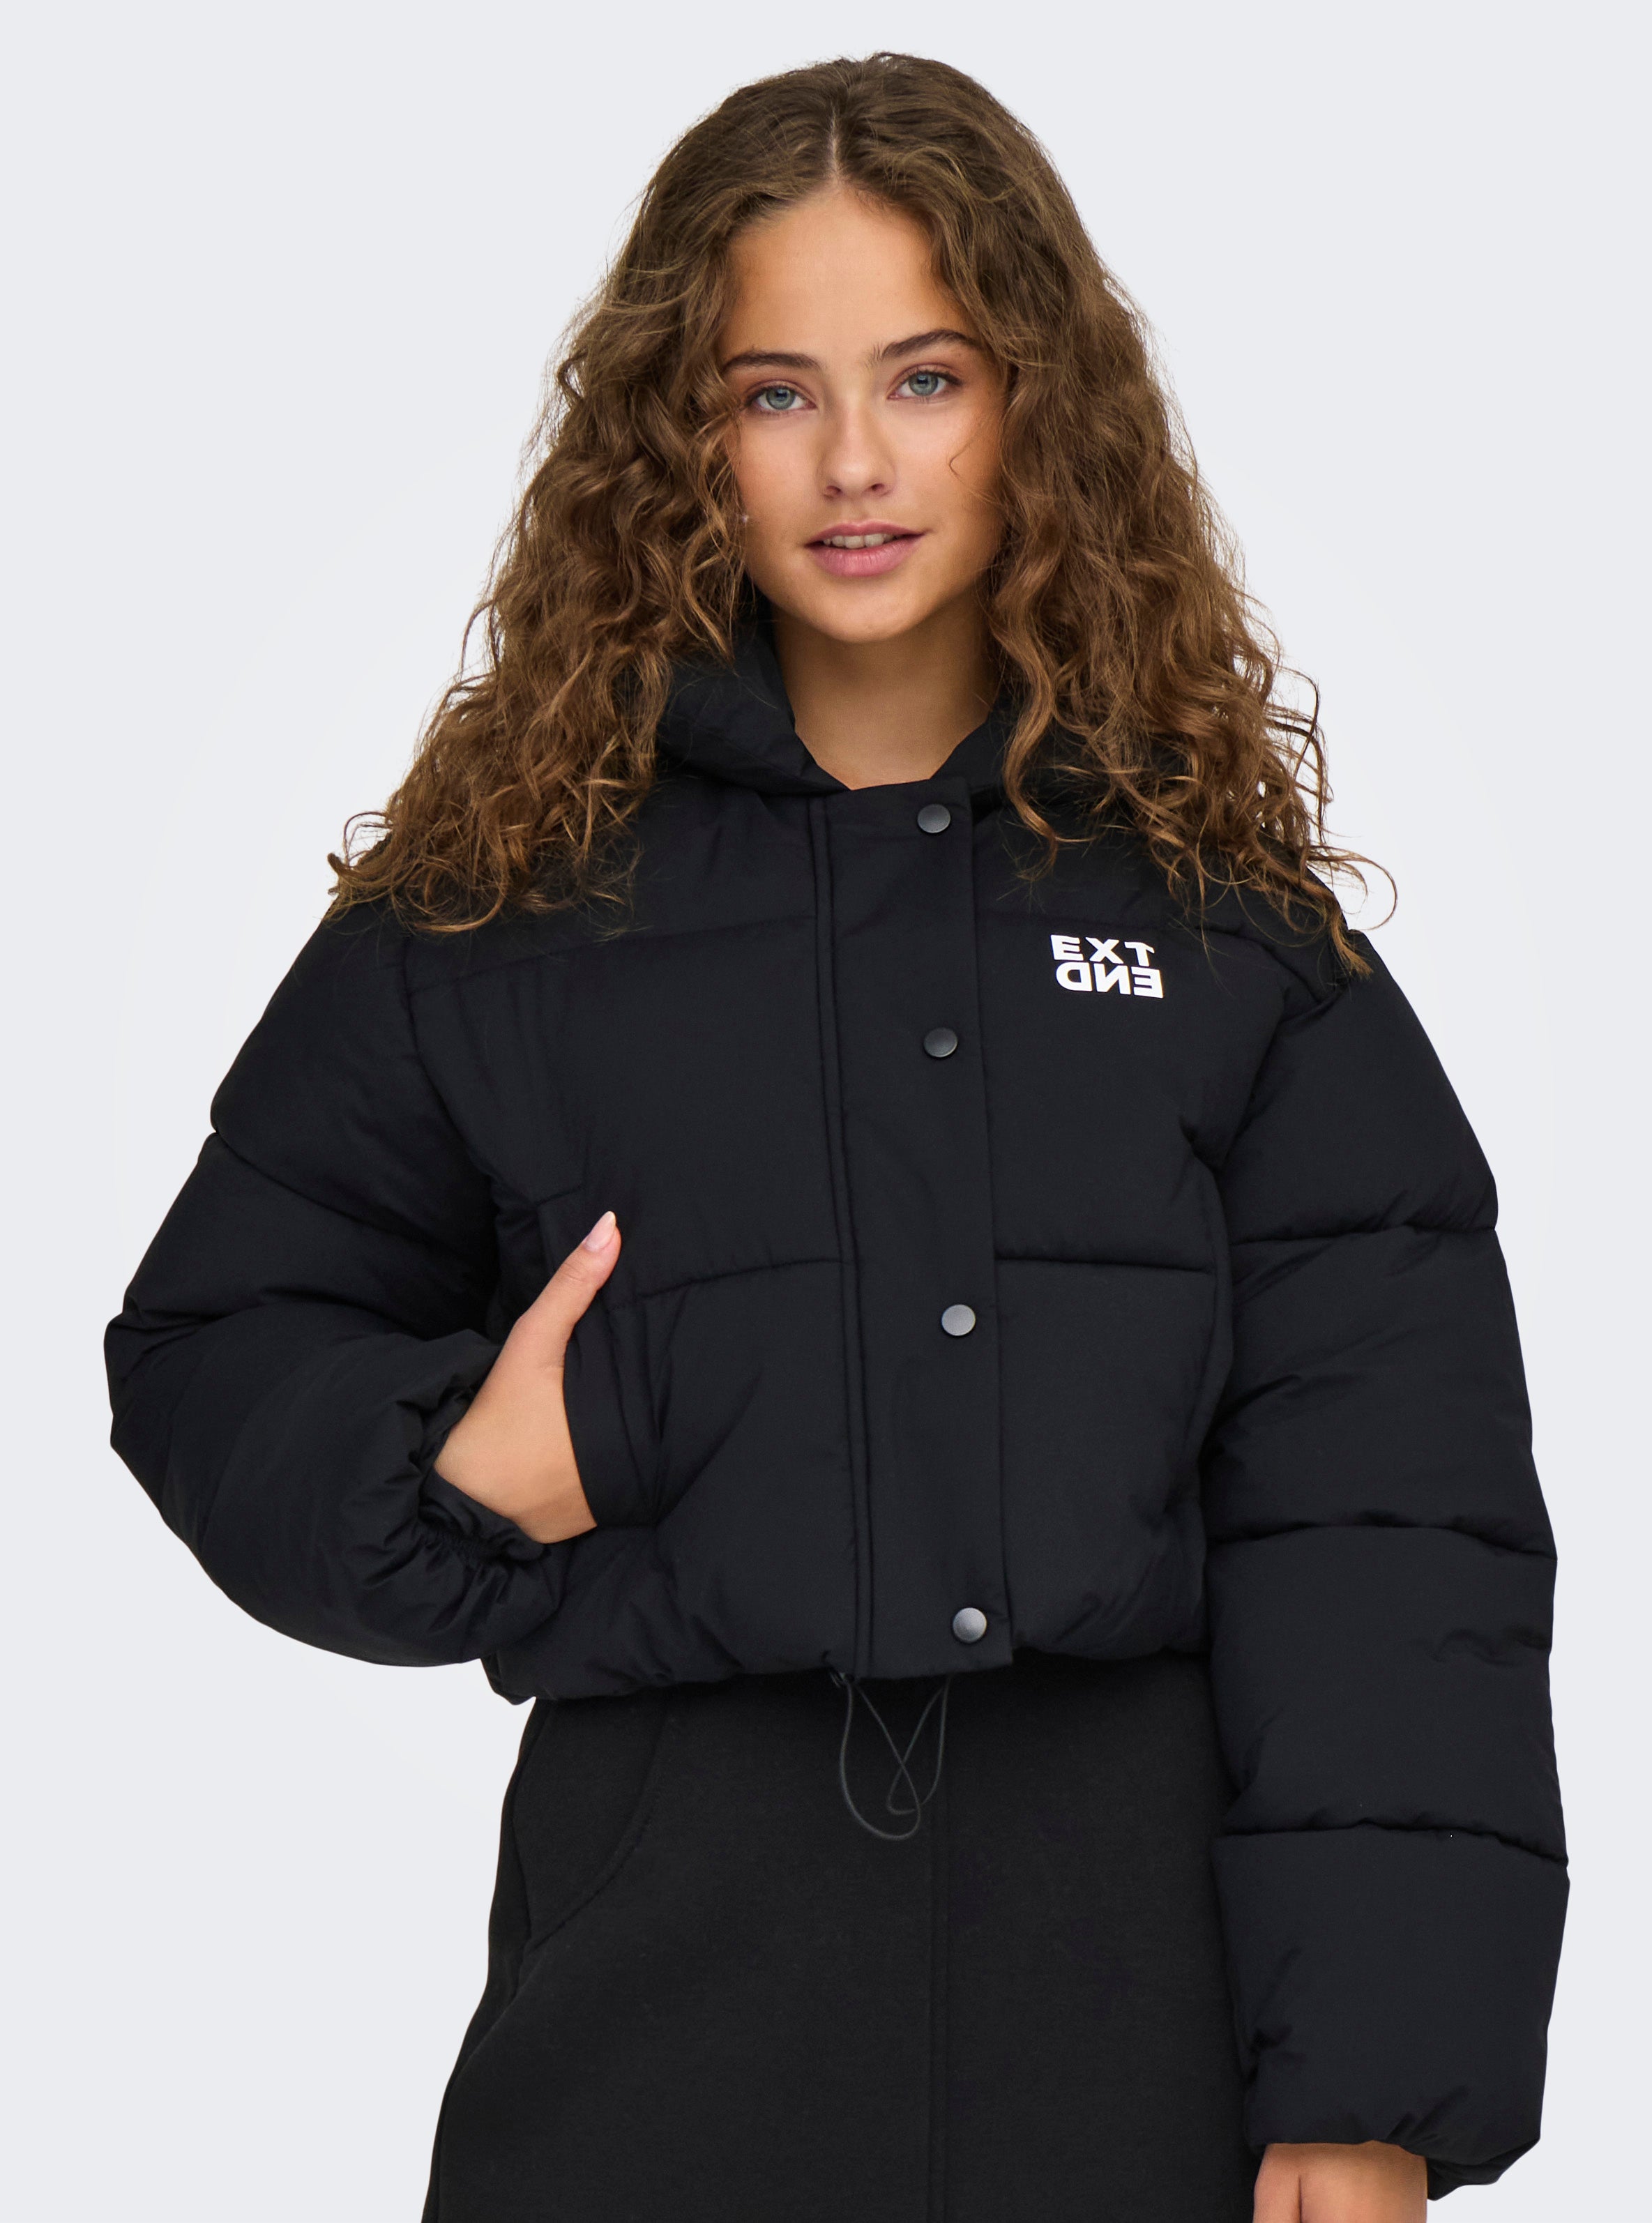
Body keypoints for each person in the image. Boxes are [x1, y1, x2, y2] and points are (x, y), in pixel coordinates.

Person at [105, 51, 1565, 2223]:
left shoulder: (1227, 935)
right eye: (776, 391)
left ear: (1037, 410)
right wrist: (457, 1470)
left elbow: (1394, 1539)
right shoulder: (503, 909)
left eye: (927, 379)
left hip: (1137, 1997)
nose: (856, 461)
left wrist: (1366, 2089)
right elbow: (212, 1342)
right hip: (661, 1971)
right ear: (680, 437)